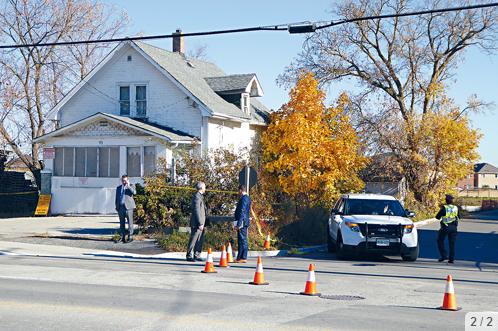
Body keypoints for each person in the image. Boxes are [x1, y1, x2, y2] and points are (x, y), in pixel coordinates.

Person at [186, 182, 207, 262]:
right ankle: (189, 255)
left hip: (201, 223)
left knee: (199, 240)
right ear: (201, 188)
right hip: (197, 223)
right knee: (194, 239)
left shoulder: (200, 196)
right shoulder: (197, 197)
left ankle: (197, 255)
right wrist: (200, 223)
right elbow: (197, 211)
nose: (205, 189)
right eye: (204, 187)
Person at [436, 194, 460, 263]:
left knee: (440, 240)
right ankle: (451, 259)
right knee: (452, 243)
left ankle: (444, 255)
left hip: (445, 227)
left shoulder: (444, 208)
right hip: (454, 227)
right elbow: (459, 216)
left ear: (446, 200)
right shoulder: (456, 208)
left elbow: (437, 217)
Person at [115, 174, 136, 243]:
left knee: (130, 222)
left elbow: (134, 192)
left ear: (128, 180)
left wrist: (128, 186)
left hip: (129, 207)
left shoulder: (131, 186)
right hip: (120, 207)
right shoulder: (118, 188)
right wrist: (117, 206)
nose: (124, 182)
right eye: (123, 180)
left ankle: (130, 236)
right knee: (122, 223)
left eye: (125, 180)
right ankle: (122, 236)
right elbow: (117, 198)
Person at [233, 185, 251, 263]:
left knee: (243, 239)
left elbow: (242, 212)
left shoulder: (244, 198)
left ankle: (243, 257)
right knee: (240, 239)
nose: (238, 193)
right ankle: (239, 257)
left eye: (238, 191)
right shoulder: (246, 198)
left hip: (242, 222)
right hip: (243, 221)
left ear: (240, 190)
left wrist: (238, 224)